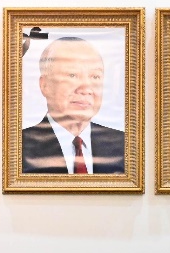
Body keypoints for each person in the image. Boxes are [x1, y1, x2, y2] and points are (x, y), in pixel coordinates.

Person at [22, 36, 125, 174]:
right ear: (45, 85)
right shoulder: (17, 149)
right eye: (72, 75)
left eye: (95, 77)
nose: (86, 88)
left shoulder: (125, 146)